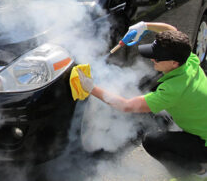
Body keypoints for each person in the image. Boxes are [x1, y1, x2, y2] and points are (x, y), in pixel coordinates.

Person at [77, 21, 207, 178]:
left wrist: (91, 88)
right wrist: (144, 25)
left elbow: (126, 106)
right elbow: (171, 30)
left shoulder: (173, 90)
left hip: (204, 144)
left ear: (174, 63)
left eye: (157, 58)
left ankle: (196, 171)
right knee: (157, 115)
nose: (152, 59)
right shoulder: (189, 60)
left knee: (151, 141)